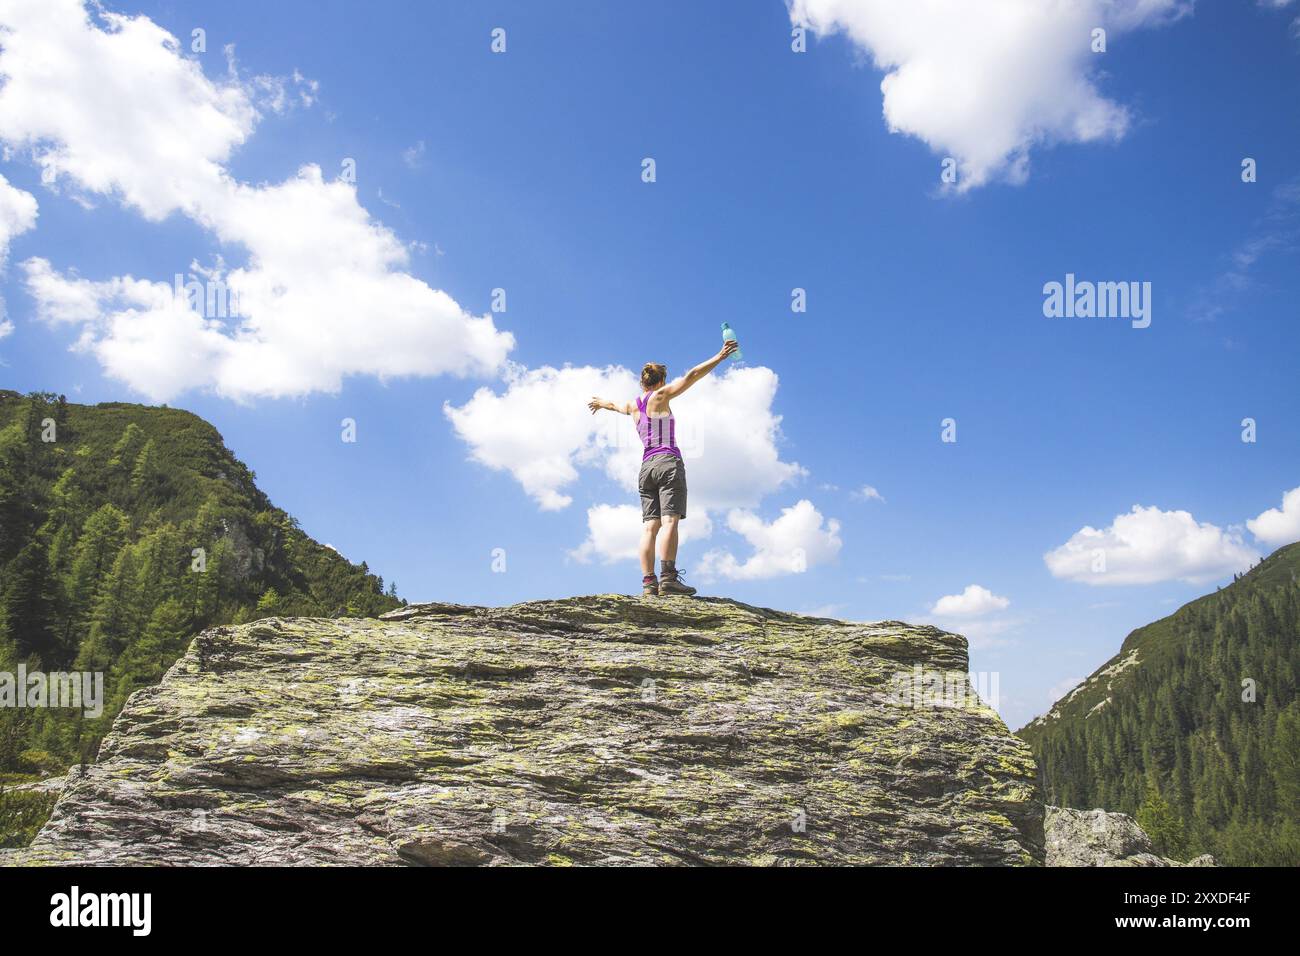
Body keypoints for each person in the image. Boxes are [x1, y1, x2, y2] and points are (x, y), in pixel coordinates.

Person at [588, 337, 739, 596]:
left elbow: (614, 405)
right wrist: (720, 356)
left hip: (646, 468)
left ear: (642, 382)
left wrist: (601, 403)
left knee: (650, 527)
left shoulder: (633, 405)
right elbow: (692, 375)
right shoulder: (661, 396)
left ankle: (649, 582)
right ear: (660, 382)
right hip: (667, 461)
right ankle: (668, 579)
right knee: (670, 521)